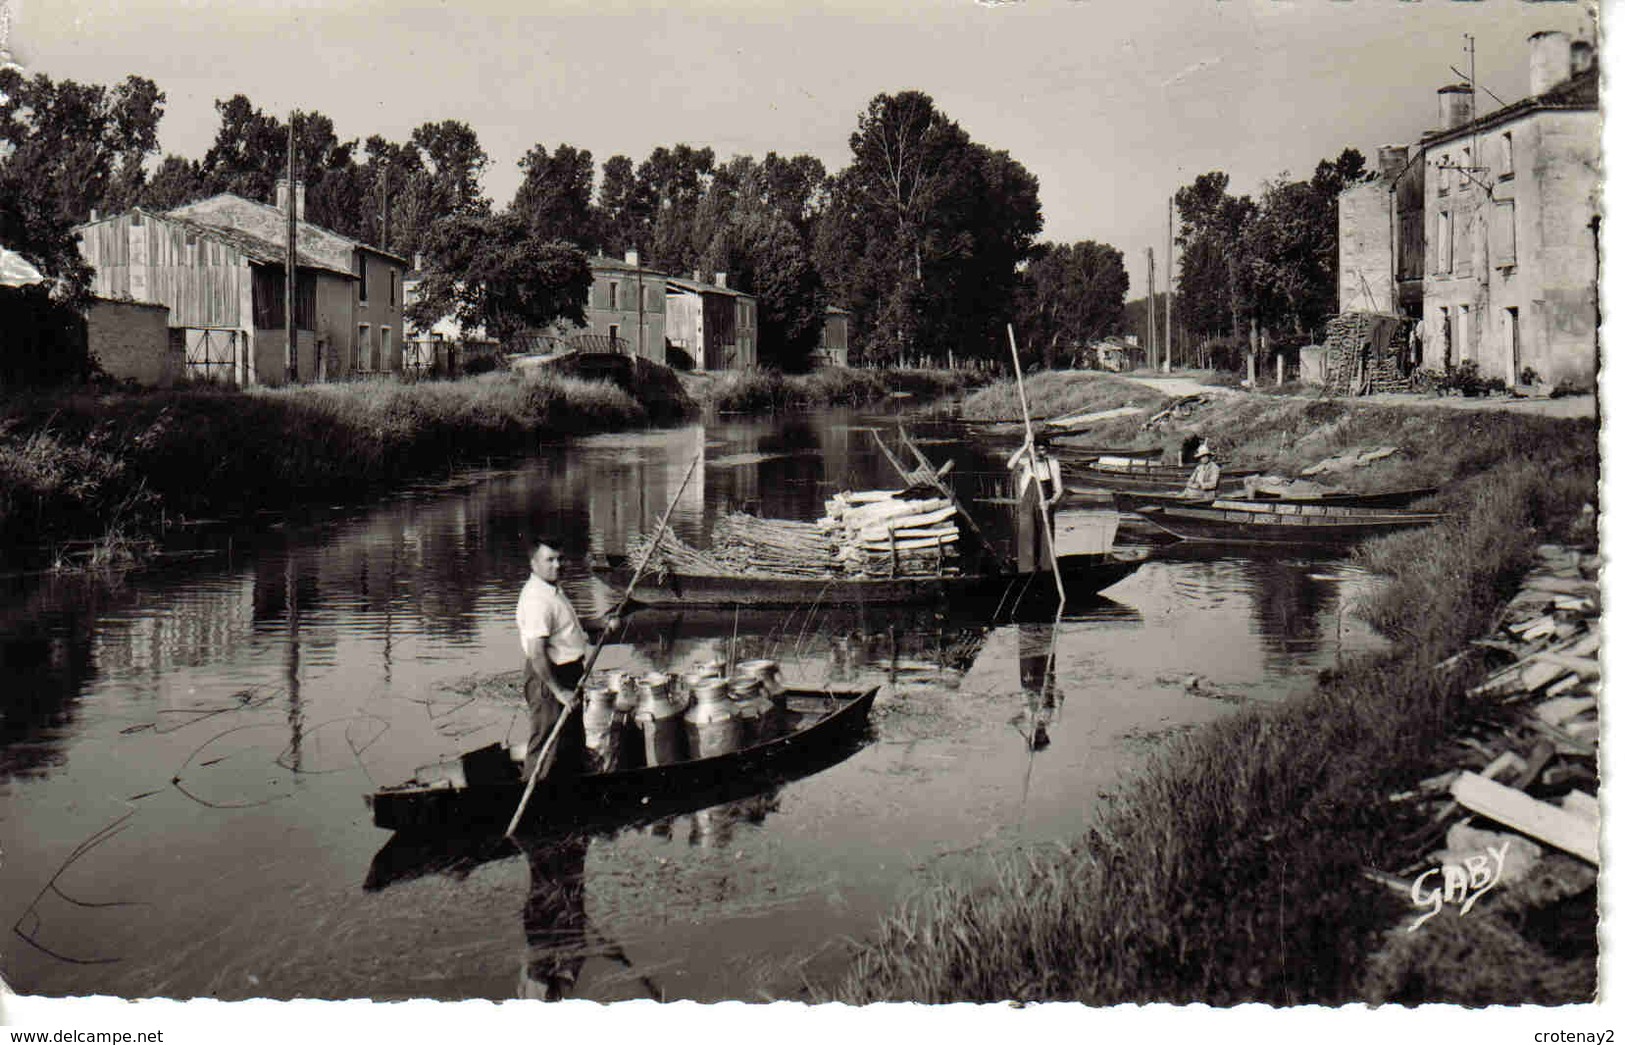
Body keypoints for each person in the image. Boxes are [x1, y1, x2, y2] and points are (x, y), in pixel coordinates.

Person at [516, 539, 616, 783]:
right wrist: (559, 691)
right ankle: (531, 796)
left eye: (561, 559)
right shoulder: (537, 600)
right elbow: (537, 653)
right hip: (549, 678)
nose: (558, 565)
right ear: (534, 563)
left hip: (570, 673)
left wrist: (599, 623)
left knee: (570, 743)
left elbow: (567, 626)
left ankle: (570, 796)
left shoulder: (552, 591)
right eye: (549, 560)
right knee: (547, 744)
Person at [1006, 436, 1063, 574]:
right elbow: (1010, 465)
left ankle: (1046, 570)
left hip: (1045, 506)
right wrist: (1026, 445)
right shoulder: (1027, 461)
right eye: (1036, 449)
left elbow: (1059, 490)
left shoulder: (1053, 463)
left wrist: (1051, 502)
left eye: (1043, 450)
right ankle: (1026, 570)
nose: (1039, 453)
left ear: (1047, 450)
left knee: (1046, 538)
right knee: (1028, 537)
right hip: (1027, 506)